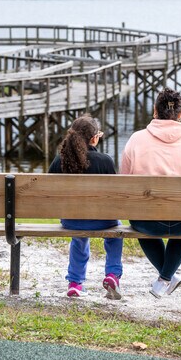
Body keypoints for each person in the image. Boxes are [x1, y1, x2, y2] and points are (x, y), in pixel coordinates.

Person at [121, 88, 181, 298]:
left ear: (155, 110)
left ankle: (165, 277)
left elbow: (123, 182)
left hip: (147, 221)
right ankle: (166, 278)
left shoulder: (136, 139)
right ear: (180, 113)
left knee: (139, 218)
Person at [48, 114, 124, 300]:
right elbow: (115, 196)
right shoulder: (105, 161)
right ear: (94, 138)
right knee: (116, 232)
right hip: (103, 222)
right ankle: (112, 274)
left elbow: (48, 192)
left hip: (71, 221)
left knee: (79, 237)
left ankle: (75, 282)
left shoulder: (60, 160)